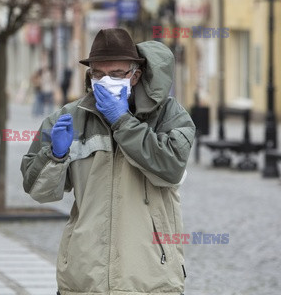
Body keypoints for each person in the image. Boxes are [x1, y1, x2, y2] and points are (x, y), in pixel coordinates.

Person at [20, 28, 195, 295]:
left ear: (135, 75)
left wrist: (123, 121)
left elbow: (170, 169)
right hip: (84, 278)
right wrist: (55, 155)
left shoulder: (169, 115)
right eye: (98, 73)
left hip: (150, 280)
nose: (105, 81)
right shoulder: (68, 118)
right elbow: (38, 191)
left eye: (116, 74)